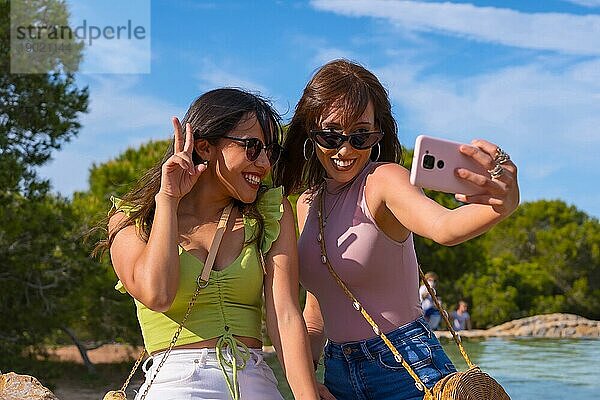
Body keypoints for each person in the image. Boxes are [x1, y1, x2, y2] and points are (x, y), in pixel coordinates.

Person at [273, 59, 520, 400]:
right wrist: (309, 385)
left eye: (361, 135)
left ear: (378, 134)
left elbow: (444, 226)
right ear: (309, 132)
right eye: (331, 135)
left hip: (406, 367)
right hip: (337, 372)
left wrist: (502, 205)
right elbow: (315, 314)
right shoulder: (305, 204)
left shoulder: (384, 180)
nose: (345, 149)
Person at [97, 88, 319, 400]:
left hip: (255, 381)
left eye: (271, 151)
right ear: (205, 146)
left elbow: (284, 314)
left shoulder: (270, 212)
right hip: (176, 384)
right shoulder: (132, 221)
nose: (265, 164)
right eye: (253, 148)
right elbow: (158, 294)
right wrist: (168, 200)